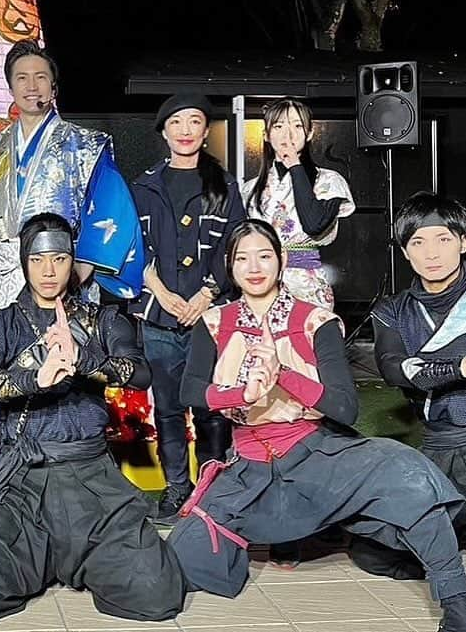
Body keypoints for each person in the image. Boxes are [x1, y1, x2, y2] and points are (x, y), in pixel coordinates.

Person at [168, 219, 466, 632]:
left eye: (265, 255)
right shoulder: (215, 322)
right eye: (242, 258)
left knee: (408, 474)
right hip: (248, 468)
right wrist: (243, 395)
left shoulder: (316, 321)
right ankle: (279, 539)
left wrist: (283, 374)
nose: (254, 267)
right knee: (179, 562)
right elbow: (190, 392)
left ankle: (456, 599)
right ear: (230, 266)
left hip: (316, 454)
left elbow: (344, 407)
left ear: (282, 259)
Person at [0, 213, 186, 624]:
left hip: (92, 479)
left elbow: (138, 371)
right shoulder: (4, 323)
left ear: (73, 261)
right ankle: (38, 560)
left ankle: (82, 560)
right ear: (23, 261)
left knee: (155, 590)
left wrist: (85, 360)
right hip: (23, 480)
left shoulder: (100, 320)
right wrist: (33, 378)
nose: (49, 270)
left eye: (59, 258)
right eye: (38, 260)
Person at [0, 40, 144, 488]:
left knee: (73, 372)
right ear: (9, 85)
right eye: (21, 77)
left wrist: (84, 262)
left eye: (40, 76)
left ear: (54, 86)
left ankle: (73, 473)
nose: (31, 85)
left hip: (61, 275)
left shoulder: (84, 145)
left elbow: (112, 205)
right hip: (8, 277)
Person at [129, 91, 243, 523]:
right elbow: (132, 248)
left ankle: (213, 488)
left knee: (211, 404)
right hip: (159, 314)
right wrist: (158, 289)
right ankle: (177, 486)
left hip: (209, 316)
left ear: (205, 129)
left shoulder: (225, 186)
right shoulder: (143, 186)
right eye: (176, 122)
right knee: (169, 407)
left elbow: (235, 247)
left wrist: (206, 295)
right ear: (163, 131)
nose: (185, 131)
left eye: (194, 121)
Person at [347, 194, 466, 581]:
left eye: (444, 239)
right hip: (441, 446)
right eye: (418, 242)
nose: (432, 253)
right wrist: (459, 367)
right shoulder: (392, 310)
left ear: (463, 242)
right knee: (377, 548)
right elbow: (395, 370)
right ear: (404, 252)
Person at [242, 96, 354, 309]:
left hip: (306, 285)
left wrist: (294, 164)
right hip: (259, 283)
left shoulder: (329, 181)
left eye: (297, 125)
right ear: (266, 135)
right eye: (279, 126)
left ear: (310, 133)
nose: (288, 134)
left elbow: (313, 223)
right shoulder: (249, 189)